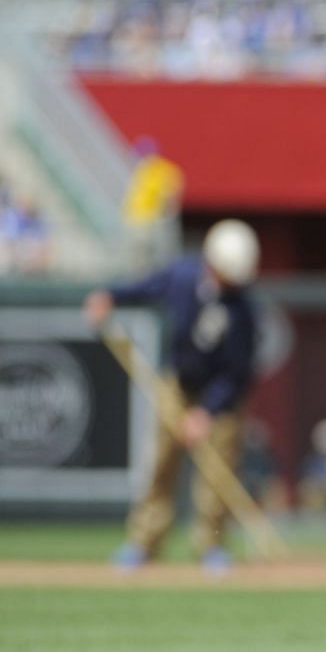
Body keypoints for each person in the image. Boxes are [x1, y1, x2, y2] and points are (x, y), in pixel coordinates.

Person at [84, 218, 262, 574]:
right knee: (161, 464)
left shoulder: (243, 311)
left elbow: (237, 373)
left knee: (217, 471)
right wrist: (110, 297)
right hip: (178, 384)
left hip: (219, 399)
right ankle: (143, 542)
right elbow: (145, 287)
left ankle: (211, 545)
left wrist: (207, 413)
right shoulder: (182, 277)